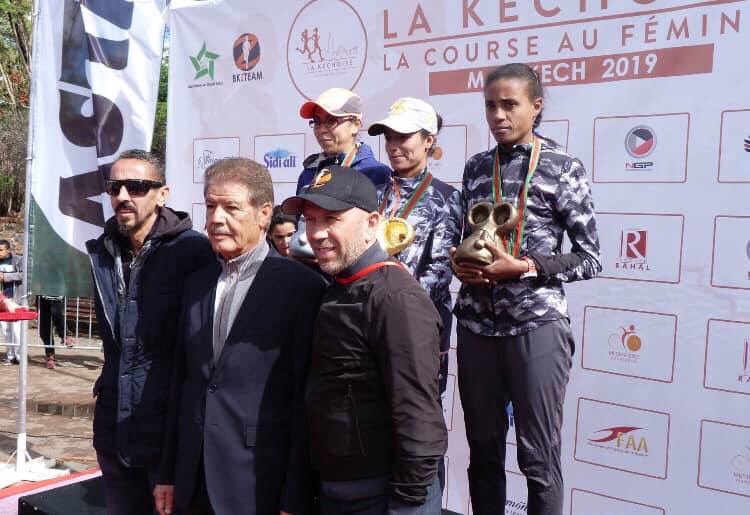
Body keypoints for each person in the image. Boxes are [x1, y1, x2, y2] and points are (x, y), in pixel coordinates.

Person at [451, 63, 602, 515]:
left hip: (536, 325)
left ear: (536, 107)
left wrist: (526, 267)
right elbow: (471, 242)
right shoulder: (476, 167)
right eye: (490, 106)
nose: (498, 115)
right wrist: (465, 268)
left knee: (537, 456)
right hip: (477, 325)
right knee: (482, 451)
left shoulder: (561, 166)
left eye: (509, 104)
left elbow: (590, 257)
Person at [158, 158, 325, 515]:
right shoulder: (196, 283)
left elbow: (305, 401)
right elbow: (182, 384)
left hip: (258, 482)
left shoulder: (302, 288)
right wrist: (168, 472)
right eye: (210, 206)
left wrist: (295, 496)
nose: (216, 219)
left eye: (230, 207)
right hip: (192, 479)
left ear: (264, 214)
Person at [282, 166, 447, 514]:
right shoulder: (338, 284)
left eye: (332, 218)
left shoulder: (396, 299)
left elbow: (418, 416)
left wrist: (406, 505)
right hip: (335, 490)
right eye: (310, 220)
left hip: (384, 496)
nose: (317, 233)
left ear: (373, 222)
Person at [86, 149, 215, 515]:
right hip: (114, 429)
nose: (123, 196)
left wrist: (176, 457)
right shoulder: (103, 251)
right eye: (115, 187)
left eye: (137, 186)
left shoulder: (194, 253)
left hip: (167, 435)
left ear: (163, 194)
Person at [368, 97, 462, 396]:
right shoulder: (372, 194)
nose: (394, 145)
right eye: (389, 137)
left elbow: (439, 273)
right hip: (368, 323)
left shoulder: (447, 197)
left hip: (417, 327)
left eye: (404, 136)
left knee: (416, 421)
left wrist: (391, 307)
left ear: (428, 140)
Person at [296, 87, 390, 194]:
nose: (321, 129)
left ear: (355, 125)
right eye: (317, 121)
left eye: (331, 121)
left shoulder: (375, 173)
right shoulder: (309, 172)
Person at [36, 295, 75, 370]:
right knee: (44, 328)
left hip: (58, 294)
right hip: (42, 296)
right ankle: (50, 356)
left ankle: (65, 336)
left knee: (57, 314)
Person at [0, 239, 23, 365]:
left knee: (16, 330)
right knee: (5, 330)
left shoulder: (18, 260)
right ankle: (10, 356)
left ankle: (19, 356)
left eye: (1, 250)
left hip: (15, 300)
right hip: (2, 301)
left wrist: (5, 277)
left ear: (8, 250)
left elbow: (23, 275)